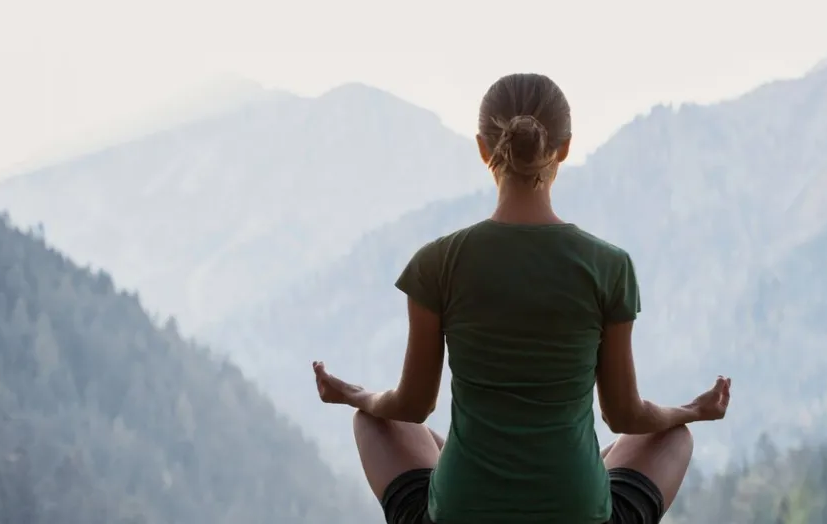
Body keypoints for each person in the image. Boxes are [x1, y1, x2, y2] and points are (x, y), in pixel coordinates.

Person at [311, 72, 731, 524]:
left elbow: (413, 406)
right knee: (674, 436)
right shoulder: (608, 266)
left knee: (372, 420)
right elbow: (624, 415)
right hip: (576, 511)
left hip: (461, 511)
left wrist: (358, 396)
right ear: (564, 149)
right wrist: (693, 409)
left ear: (482, 149)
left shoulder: (438, 262)